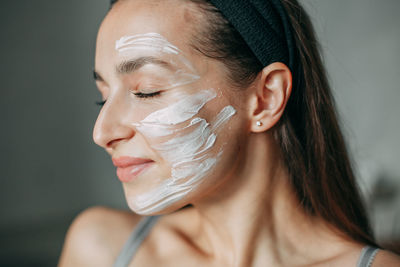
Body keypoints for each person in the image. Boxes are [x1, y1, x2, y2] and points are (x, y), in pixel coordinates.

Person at [58, 0, 400, 266]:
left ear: (266, 98)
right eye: (102, 98)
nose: (102, 133)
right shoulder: (100, 248)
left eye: (146, 90)